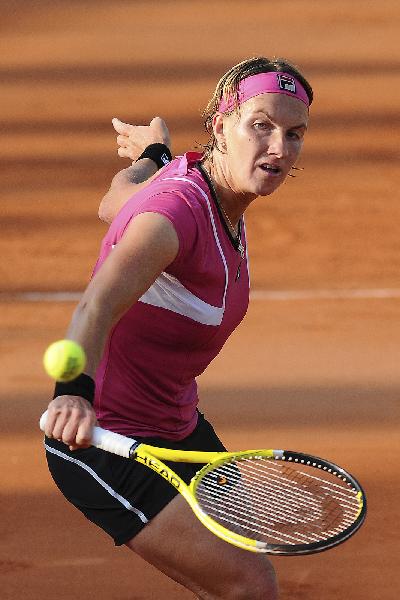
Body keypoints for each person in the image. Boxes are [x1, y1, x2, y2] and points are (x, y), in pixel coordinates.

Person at [44, 56, 313, 599]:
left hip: (178, 426)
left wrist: (153, 153)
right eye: (260, 126)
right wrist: (72, 394)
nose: (279, 150)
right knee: (248, 584)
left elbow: (113, 200)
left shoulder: (202, 187)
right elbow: (97, 304)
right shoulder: (173, 218)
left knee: (240, 558)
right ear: (220, 124)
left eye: (294, 133)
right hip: (106, 438)